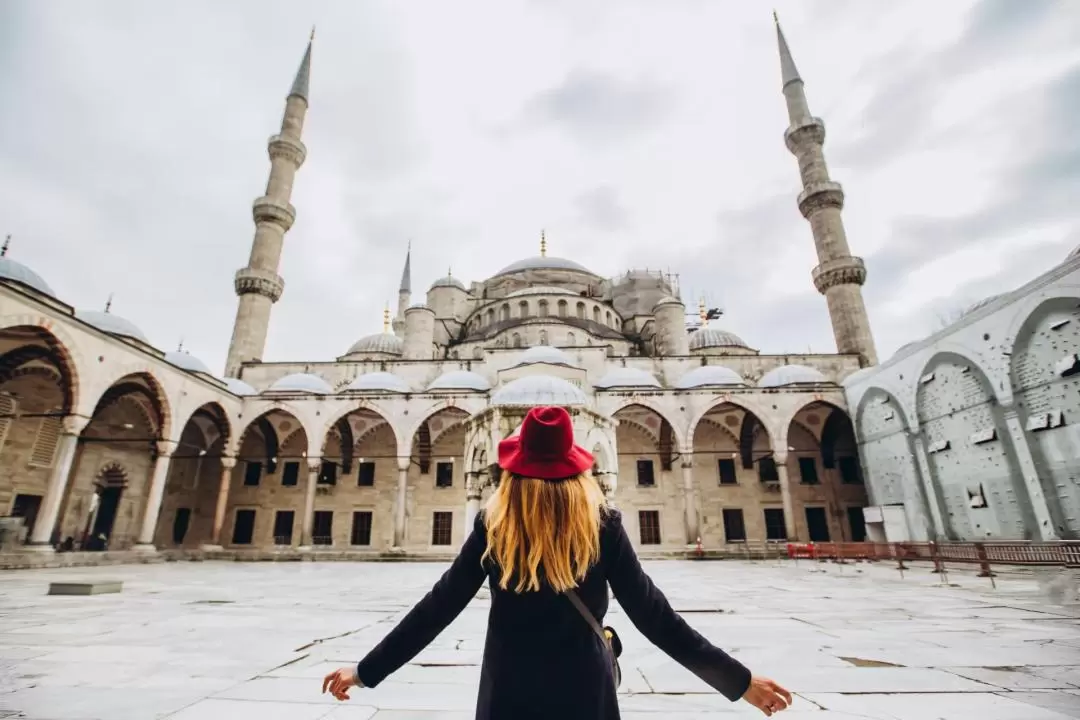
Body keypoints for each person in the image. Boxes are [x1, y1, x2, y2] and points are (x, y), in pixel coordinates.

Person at [323, 406, 792, 718]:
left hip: (509, 690)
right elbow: (656, 618)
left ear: (514, 467)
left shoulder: (495, 525)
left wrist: (365, 671)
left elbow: (436, 609)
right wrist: (740, 682)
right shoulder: (602, 525)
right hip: (583, 691)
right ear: (577, 468)